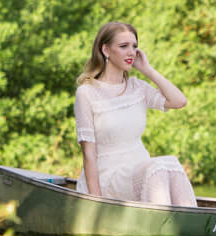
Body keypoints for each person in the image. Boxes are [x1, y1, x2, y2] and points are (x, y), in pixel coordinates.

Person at [74, 21, 197, 206]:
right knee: (158, 166)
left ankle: (188, 224)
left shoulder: (137, 87)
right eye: (123, 46)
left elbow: (179, 101)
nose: (131, 52)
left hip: (141, 173)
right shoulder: (87, 92)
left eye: (134, 46)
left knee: (170, 163)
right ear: (106, 50)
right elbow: (88, 154)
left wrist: (146, 69)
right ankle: (161, 226)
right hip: (108, 178)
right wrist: (96, 200)